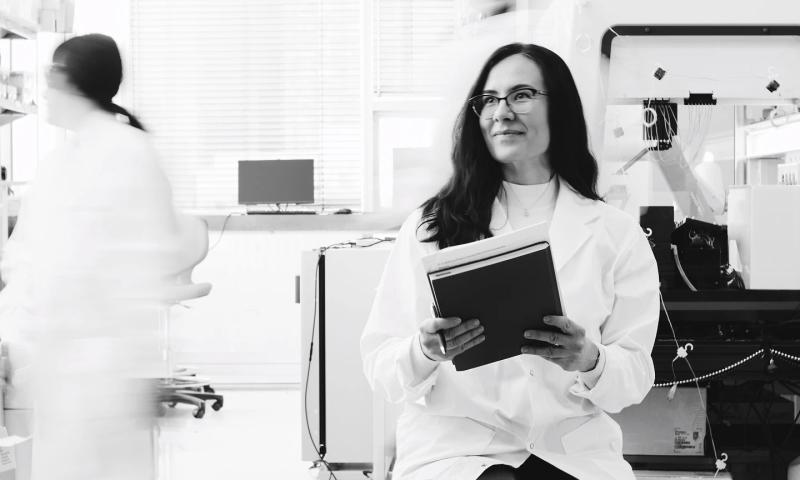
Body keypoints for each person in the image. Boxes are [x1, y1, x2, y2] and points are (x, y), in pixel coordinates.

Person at [361, 43, 660, 480]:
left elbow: (634, 376)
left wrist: (590, 359)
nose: (501, 111)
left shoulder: (615, 234)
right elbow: (380, 366)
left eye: (521, 95)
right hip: (458, 450)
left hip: (571, 451)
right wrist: (423, 351)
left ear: (559, 109)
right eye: (489, 99)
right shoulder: (431, 227)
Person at [0, 34, 178, 480]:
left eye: (49, 76)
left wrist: (27, 336)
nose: (42, 90)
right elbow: (27, 255)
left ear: (70, 79)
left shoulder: (125, 153)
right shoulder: (63, 159)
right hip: (65, 366)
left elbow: (79, 269)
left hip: (99, 368)